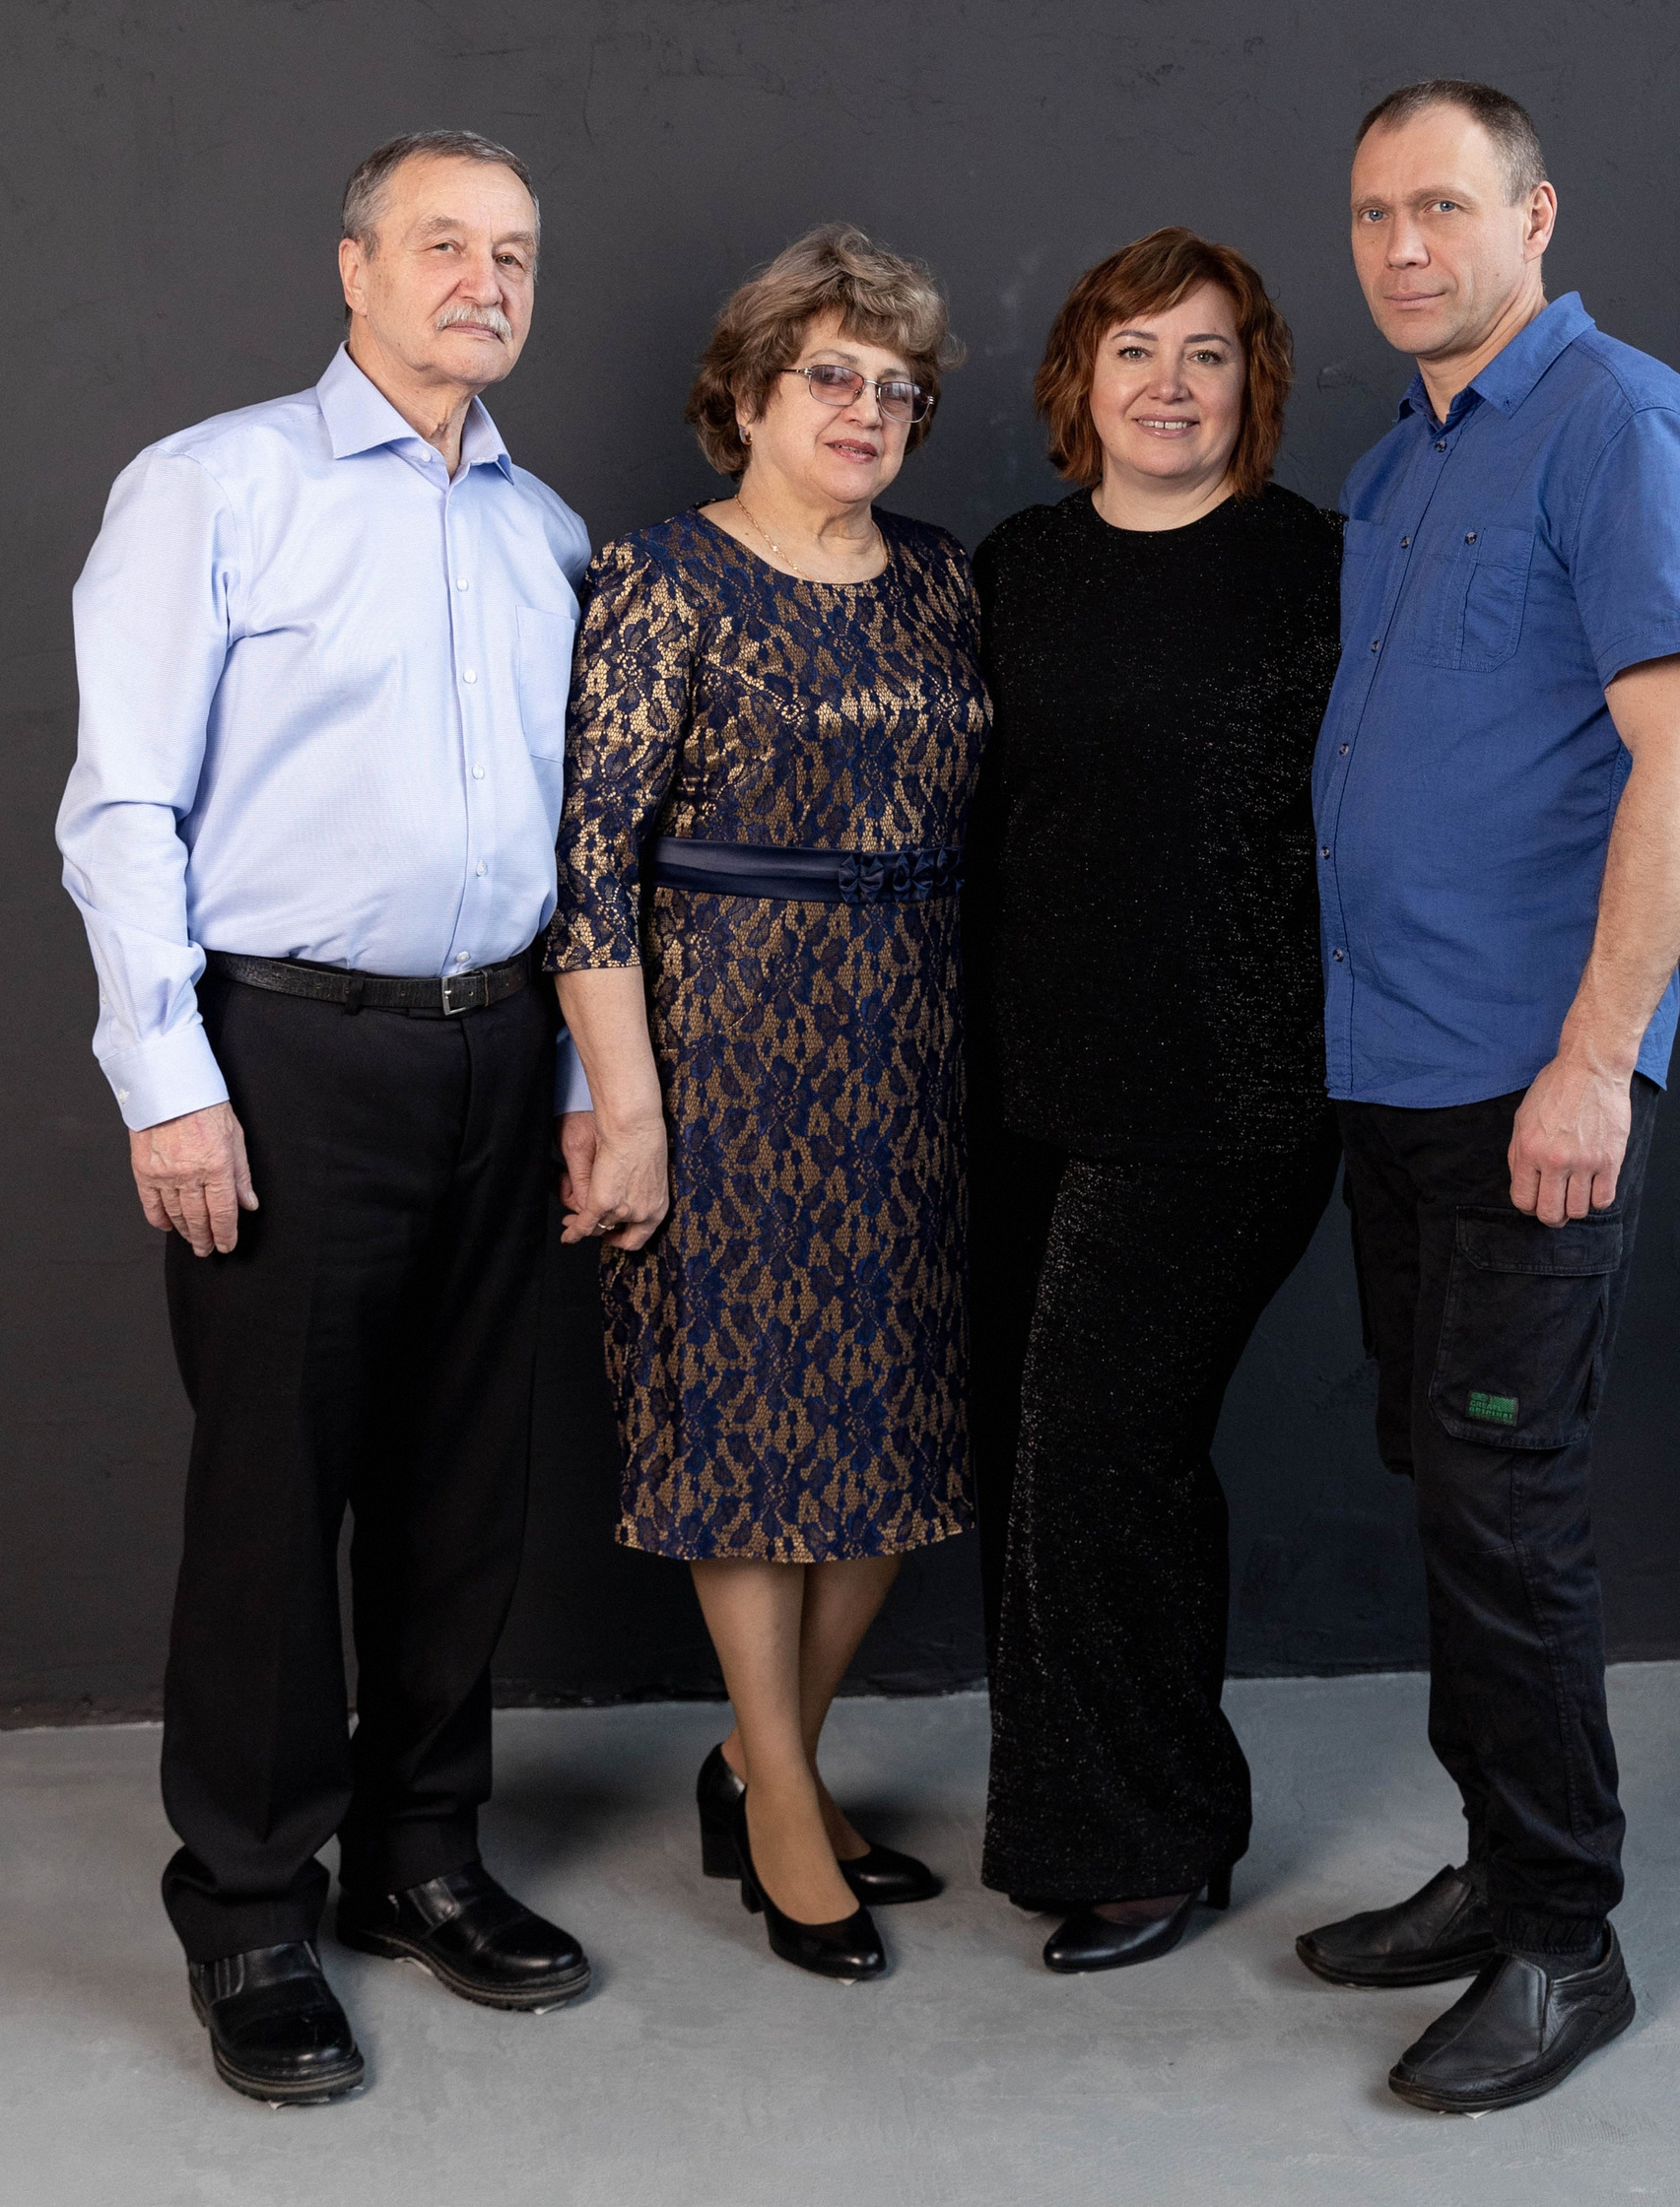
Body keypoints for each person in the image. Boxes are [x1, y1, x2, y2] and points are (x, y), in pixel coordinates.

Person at [56, 132, 594, 2106]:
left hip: (496, 1050)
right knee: (275, 1498)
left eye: (513, 252)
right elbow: (123, 804)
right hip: (284, 1055)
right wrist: (170, 1082)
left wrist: (579, 1082)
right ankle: (252, 1905)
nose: (482, 280)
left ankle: (421, 1855)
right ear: (353, 268)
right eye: (442, 243)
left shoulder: (547, 534)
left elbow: (573, 840)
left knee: (464, 1483)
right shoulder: (216, 487)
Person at [1296, 81, 1680, 2112]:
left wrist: (1593, 1059)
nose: (1405, 247)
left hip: (1529, 1088)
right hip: (1392, 1074)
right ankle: (1494, 1864)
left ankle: (1566, 1939)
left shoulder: (1622, 423)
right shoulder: (1401, 464)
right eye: (1374, 214)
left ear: (1535, 214)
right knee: (1448, 1489)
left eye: (1445, 207)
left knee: (1510, 1511)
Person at [548, 224, 985, 1985]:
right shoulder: (661, 577)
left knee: (896, 1439)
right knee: (745, 1433)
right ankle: (788, 1804)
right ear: (744, 395)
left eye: (898, 387)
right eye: (831, 376)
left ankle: (755, 1755)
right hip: (726, 1045)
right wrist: (628, 1107)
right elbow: (589, 866)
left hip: (920, 1047)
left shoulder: (944, 577)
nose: (867, 408)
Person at [966, 227, 1343, 1973]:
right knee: (1032, 1450)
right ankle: (1080, 1808)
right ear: (1082, 378)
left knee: (1102, 1444)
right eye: (1136, 349)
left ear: (1253, 382)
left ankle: (1153, 1836)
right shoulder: (1017, 568)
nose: (1170, 384)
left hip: (1231, 1087)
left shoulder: (1317, 568)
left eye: (1207, 352)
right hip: (1025, 1086)